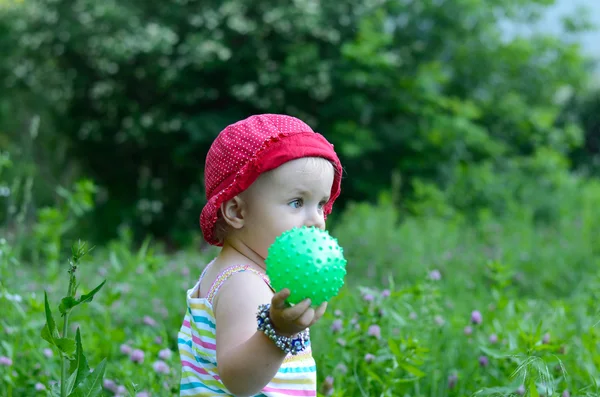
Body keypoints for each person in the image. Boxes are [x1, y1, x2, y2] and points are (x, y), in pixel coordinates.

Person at [177, 114, 344, 397]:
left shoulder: (232, 272)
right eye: (297, 202)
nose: (317, 220)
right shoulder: (244, 284)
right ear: (237, 212)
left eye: (321, 204)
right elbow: (240, 382)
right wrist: (278, 332)